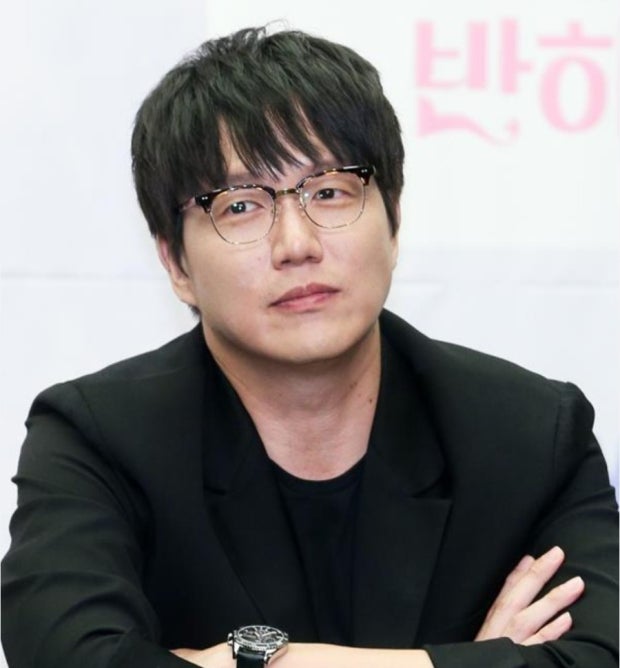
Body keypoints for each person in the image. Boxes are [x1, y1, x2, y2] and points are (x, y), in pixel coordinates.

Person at [2, 25, 618, 668]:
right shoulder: (100, 439)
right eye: (240, 205)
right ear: (175, 262)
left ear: (394, 219)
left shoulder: (529, 435)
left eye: (329, 191)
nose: (296, 244)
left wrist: (243, 662)